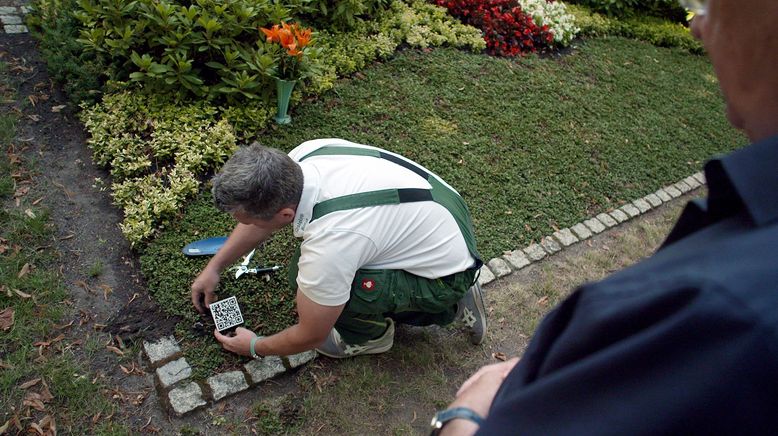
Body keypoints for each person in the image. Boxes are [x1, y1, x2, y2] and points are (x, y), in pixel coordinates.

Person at [429, 0, 778, 434]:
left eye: (709, 3)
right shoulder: (745, 234)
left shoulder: (726, 315)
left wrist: (464, 412)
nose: (698, 27)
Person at [190, 138, 487, 359]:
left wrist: (255, 346)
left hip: (446, 271)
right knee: (307, 275)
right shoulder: (305, 158)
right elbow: (261, 222)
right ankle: (444, 270)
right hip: (443, 222)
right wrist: (214, 267)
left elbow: (312, 334)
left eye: (246, 219)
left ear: (284, 215)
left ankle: (381, 334)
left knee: (337, 290)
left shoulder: (333, 241)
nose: (242, 224)